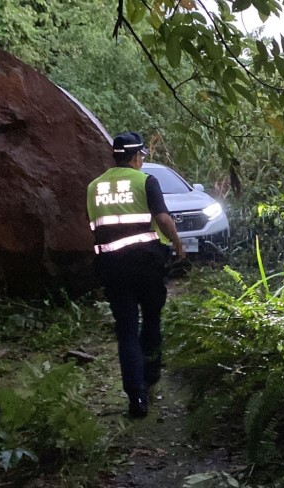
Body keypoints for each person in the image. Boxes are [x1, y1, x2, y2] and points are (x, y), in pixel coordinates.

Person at [86, 131, 186, 418]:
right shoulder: (145, 181)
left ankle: (136, 397)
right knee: (152, 317)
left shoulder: (94, 186)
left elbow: (95, 226)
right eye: (141, 154)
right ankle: (151, 373)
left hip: (111, 266)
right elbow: (163, 219)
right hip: (146, 263)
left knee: (126, 330)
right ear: (135, 156)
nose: (142, 158)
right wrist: (178, 244)